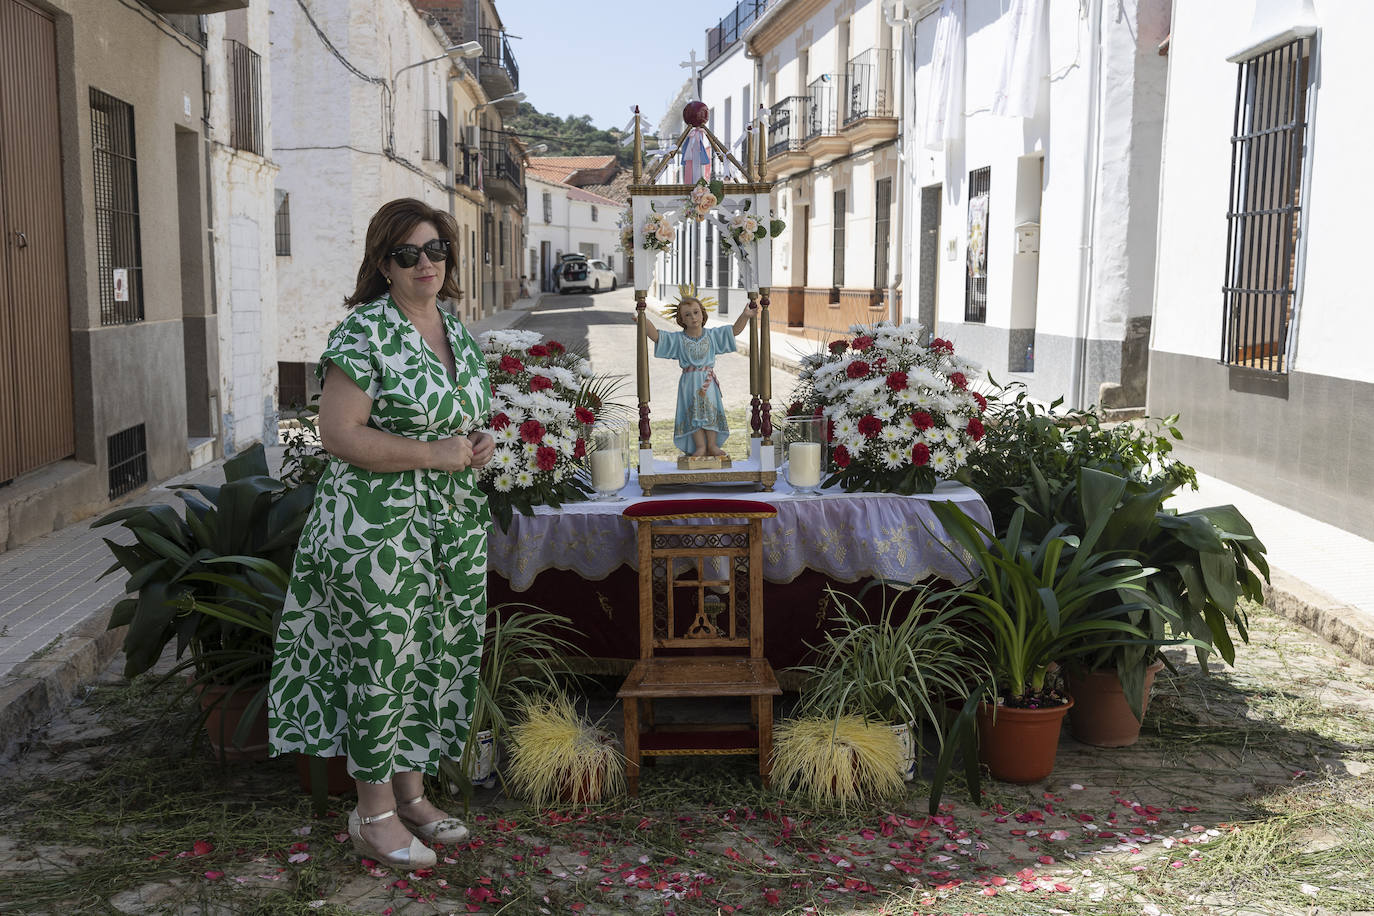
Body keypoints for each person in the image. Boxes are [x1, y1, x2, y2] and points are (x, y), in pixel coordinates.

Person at [268, 198, 496, 869]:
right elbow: (338, 434)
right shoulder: (364, 333)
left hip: (447, 527)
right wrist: (435, 455)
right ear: (382, 263)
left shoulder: (455, 327)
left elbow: (460, 417)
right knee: (381, 663)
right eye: (409, 254)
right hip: (378, 527)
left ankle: (413, 796)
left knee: (427, 656)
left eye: (436, 250)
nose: (426, 263)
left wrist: (476, 444)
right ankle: (372, 815)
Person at [645, 295, 757, 458]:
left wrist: (745, 315)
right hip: (689, 382)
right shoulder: (679, 339)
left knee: (709, 412)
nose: (693, 317)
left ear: (703, 314)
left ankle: (712, 445)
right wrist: (643, 320)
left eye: (696, 312)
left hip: (707, 381)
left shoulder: (711, 336)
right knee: (694, 414)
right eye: (687, 315)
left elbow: (733, 331)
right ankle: (700, 446)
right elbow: (657, 337)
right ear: (681, 320)